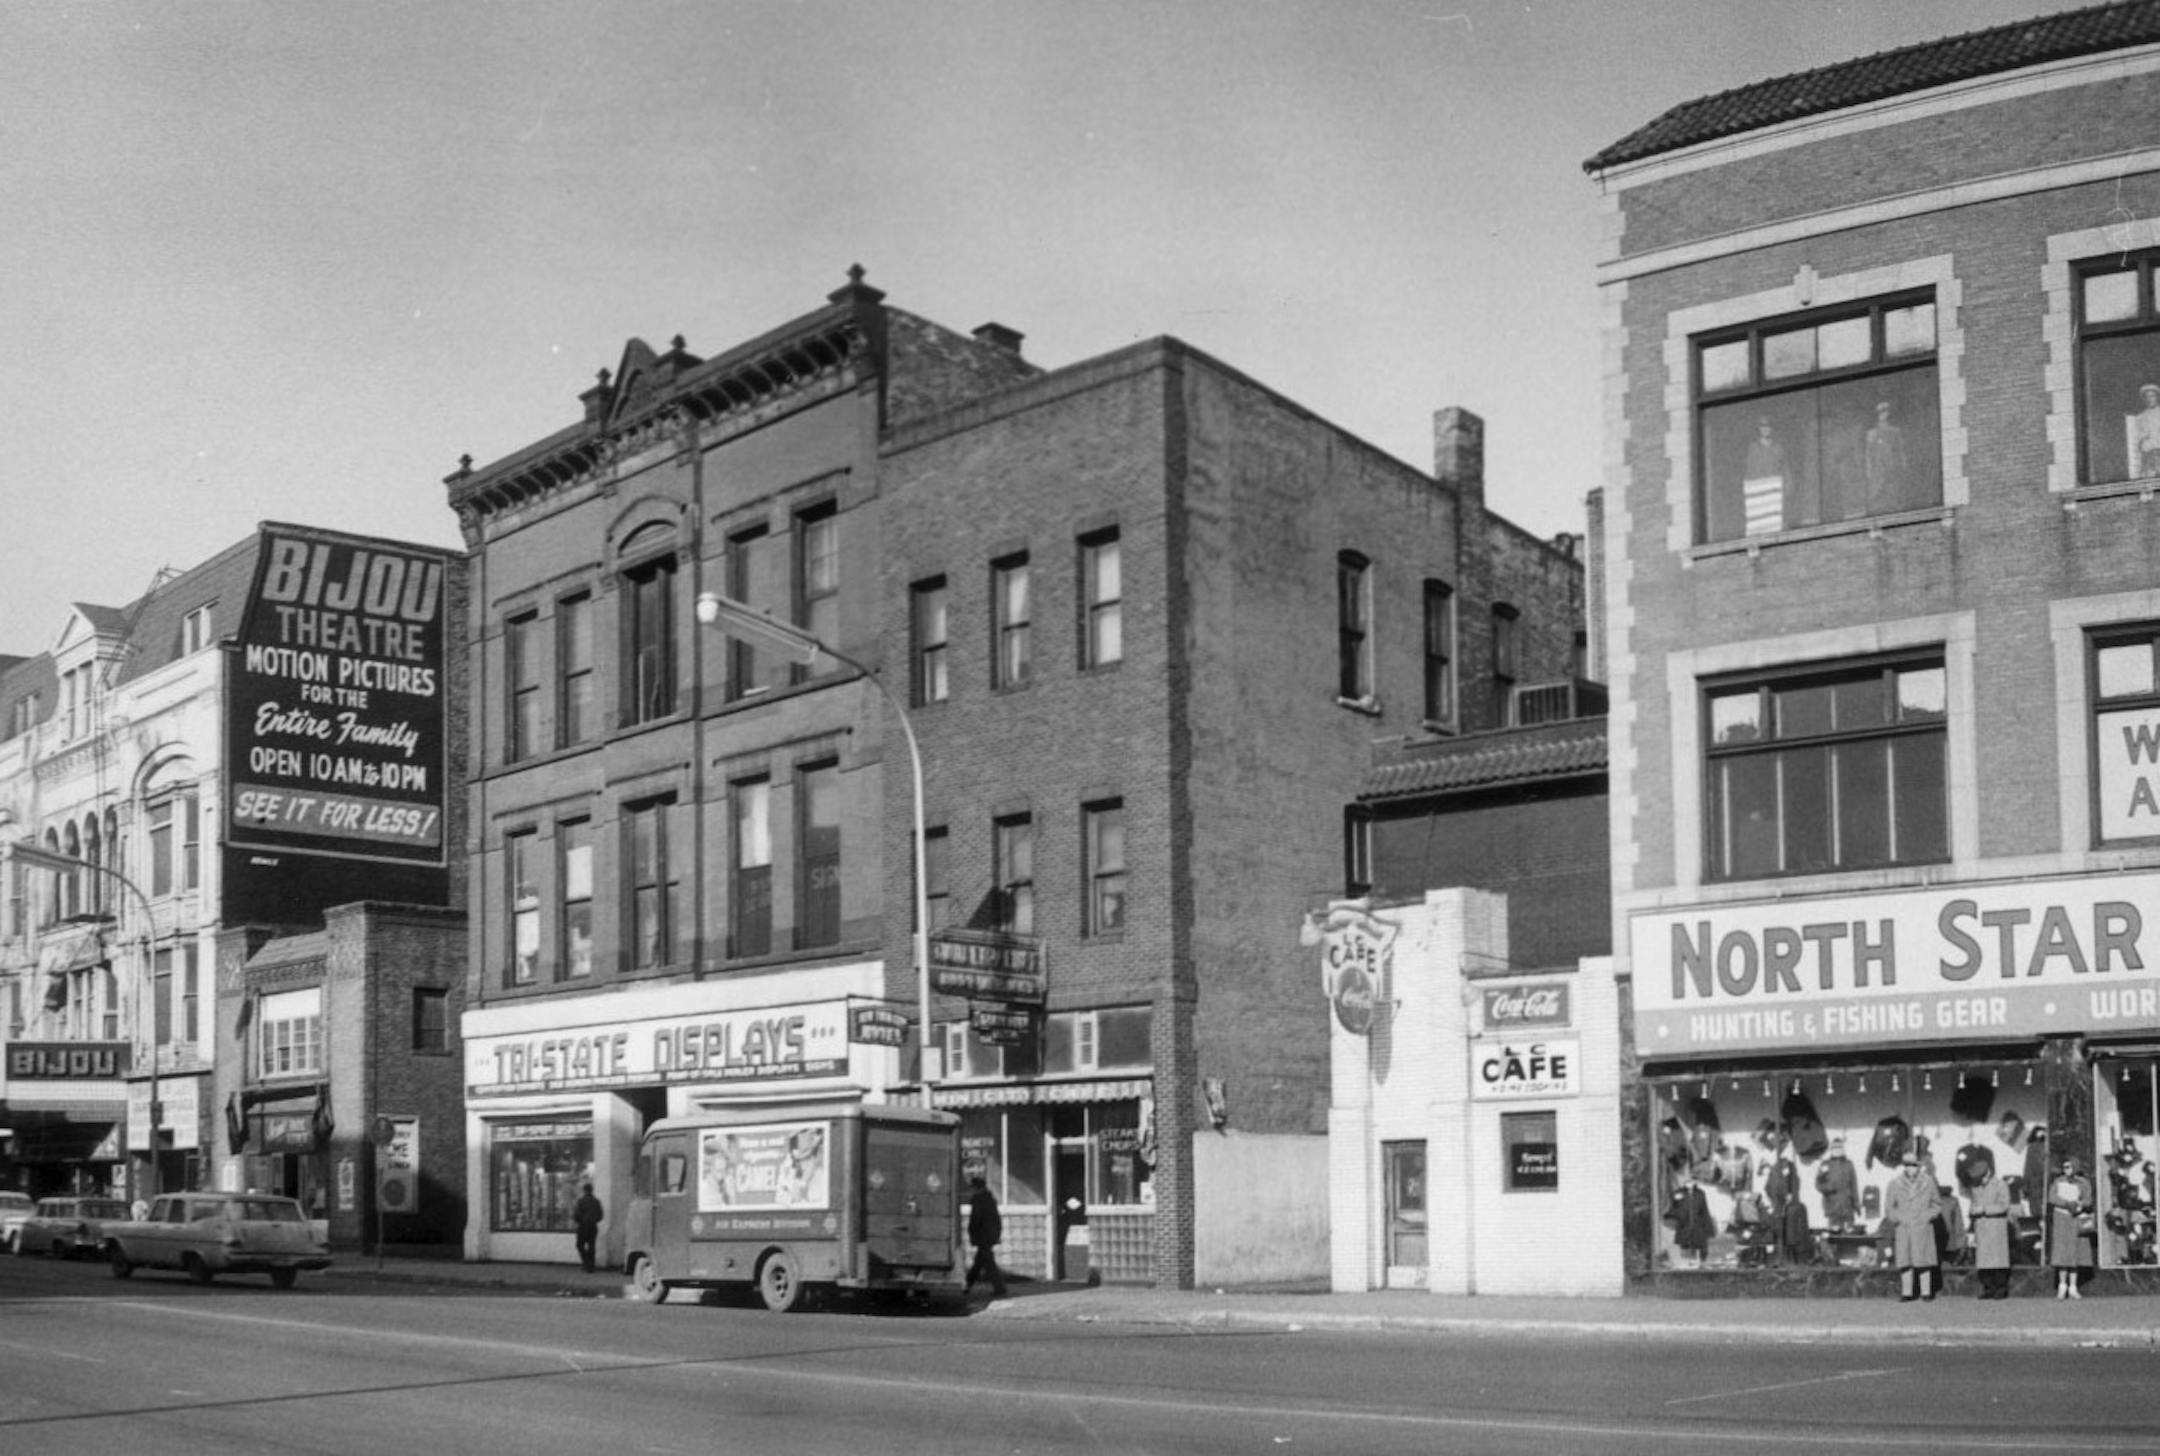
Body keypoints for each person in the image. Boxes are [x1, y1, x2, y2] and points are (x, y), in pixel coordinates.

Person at [1884, 1148, 1945, 1302]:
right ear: (1904, 1167)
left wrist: (1926, 1216)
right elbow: (1889, 1207)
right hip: (1904, 1227)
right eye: (1908, 1166)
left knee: (1923, 1260)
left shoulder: (1928, 1182)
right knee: (1905, 1261)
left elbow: (1937, 1204)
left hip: (1922, 1227)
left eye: (1914, 1165)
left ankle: (1926, 1292)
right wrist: (1898, 1218)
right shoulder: (1895, 1184)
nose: (1911, 1169)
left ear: (1918, 1166)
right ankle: (1907, 1293)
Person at [2048, 1154, 2095, 1300]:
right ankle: (2062, 1285)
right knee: (2062, 1252)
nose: (2065, 1170)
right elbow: (2052, 1197)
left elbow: (2088, 1200)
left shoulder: (2083, 1182)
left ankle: (2073, 1286)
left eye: (2068, 1167)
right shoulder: (2058, 1181)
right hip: (2061, 1219)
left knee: (2075, 1252)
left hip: (2075, 1219)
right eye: (2064, 1167)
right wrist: (2066, 1203)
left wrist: (2079, 1205)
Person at [1967, 1160, 2014, 1301]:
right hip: (1982, 1228)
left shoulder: (2000, 1185)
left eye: (1982, 1177)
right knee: (1984, 1261)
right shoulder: (1976, 1187)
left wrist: (1985, 1209)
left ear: (1988, 1173)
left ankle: (2001, 1288)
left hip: (1996, 1227)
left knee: (1998, 1260)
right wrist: (1972, 1211)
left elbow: (2004, 1206)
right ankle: (1988, 1288)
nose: (1981, 1180)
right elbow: (1973, 1204)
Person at [964, 1173, 1007, 1299]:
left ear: (976, 1188)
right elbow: (996, 1220)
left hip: (983, 1236)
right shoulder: (989, 1199)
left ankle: (967, 1285)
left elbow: (976, 1220)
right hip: (989, 1236)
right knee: (982, 1263)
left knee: (985, 1263)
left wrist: (973, 1235)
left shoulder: (979, 1200)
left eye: (972, 1188)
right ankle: (967, 1285)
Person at [1815, 1137, 1860, 1233]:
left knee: (1849, 1237)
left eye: (1840, 1147)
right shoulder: (1825, 1165)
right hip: (1833, 1208)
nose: (1837, 1149)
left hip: (1848, 1208)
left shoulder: (1848, 1164)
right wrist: (1829, 1188)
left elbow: (1854, 1185)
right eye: (1835, 1147)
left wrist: (1856, 1204)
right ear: (1831, 1149)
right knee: (1834, 1237)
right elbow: (1818, 1184)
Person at [573, 1180, 604, 1274]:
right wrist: (594, 1220)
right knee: (591, 1246)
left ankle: (587, 1263)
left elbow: (576, 1215)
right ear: (592, 1190)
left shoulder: (581, 1201)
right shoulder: (596, 1201)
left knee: (580, 1245)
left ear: (584, 1190)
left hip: (583, 1226)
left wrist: (580, 1221)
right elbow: (600, 1215)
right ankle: (591, 1266)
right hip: (593, 1227)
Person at [2134, 382, 2160, 479]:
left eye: (2152, 396)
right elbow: (2139, 437)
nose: (2150, 399)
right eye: (2147, 397)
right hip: (2147, 456)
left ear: (2157, 397)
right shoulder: (2141, 417)